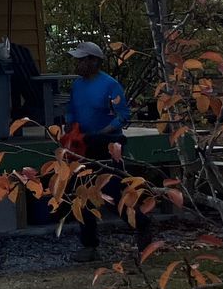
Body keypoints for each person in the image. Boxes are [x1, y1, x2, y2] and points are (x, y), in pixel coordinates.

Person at [63, 41, 154, 262]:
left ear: (94, 61)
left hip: (108, 143)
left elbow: (123, 115)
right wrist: (69, 129)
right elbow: (71, 111)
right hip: (83, 143)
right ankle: (89, 246)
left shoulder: (110, 85)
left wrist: (106, 130)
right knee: (82, 193)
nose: (78, 64)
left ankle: (142, 225)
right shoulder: (77, 86)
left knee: (112, 192)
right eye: (77, 61)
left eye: (82, 60)